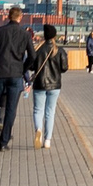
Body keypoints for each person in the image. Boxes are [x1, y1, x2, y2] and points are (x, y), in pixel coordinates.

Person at [0, 6, 35, 151]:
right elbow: (33, 56)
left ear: (8, 16)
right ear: (20, 18)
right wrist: (23, 68)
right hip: (15, 75)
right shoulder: (25, 34)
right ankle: (4, 141)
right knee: (11, 108)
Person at [27, 22, 70, 150]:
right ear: (54, 36)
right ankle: (47, 140)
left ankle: (38, 129)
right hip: (55, 85)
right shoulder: (60, 51)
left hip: (39, 84)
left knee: (37, 110)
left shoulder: (38, 50)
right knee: (50, 112)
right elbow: (64, 68)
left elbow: (31, 66)